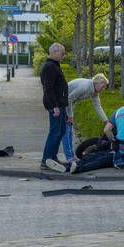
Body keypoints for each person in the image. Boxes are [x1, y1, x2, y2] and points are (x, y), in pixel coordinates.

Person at [63, 73, 109, 166]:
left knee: (70, 132)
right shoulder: (85, 86)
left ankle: (71, 157)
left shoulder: (94, 92)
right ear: (97, 83)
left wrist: (107, 121)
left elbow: (98, 106)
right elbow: (69, 99)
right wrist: (70, 116)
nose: (103, 89)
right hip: (61, 103)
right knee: (66, 132)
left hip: (67, 105)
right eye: (103, 86)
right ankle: (69, 158)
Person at [40, 42, 69, 172]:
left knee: (60, 132)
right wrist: (55, 106)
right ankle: (46, 160)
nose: (64, 55)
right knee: (55, 132)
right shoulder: (50, 67)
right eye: (62, 53)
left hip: (59, 105)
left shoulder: (54, 65)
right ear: (54, 52)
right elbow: (48, 88)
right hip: (55, 106)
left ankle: (52, 158)